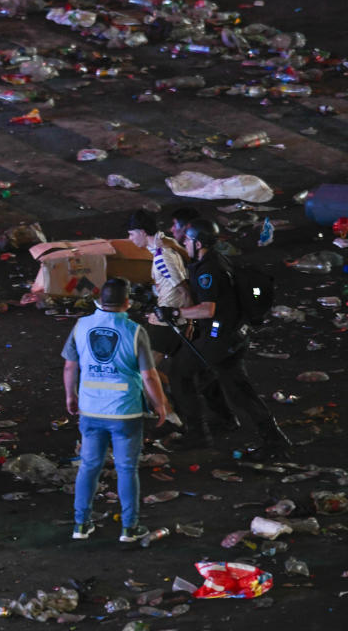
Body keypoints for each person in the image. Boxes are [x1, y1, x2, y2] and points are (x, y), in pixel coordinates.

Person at [156, 219, 292, 456]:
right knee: (216, 377)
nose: (184, 243)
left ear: (198, 243)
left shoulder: (208, 270)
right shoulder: (217, 259)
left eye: (187, 240)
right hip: (233, 334)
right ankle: (228, 420)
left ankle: (199, 434)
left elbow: (208, 309)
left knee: (181, 373)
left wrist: (175, 312)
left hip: (220, 337)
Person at [62, 278, 171, 543]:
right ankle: (129, 529)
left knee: (88, 467)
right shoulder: (134, 331)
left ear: (100, 300)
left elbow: (69, 367)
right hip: (125, 411)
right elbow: (149, 375)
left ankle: (80, 524)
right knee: (126, 469)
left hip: (90, 409)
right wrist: (160, 404)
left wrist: (71, 396)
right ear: (127, 302)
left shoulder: (81, 325)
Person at [125, 210, 193, 365]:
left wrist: (189, 323)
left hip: (170, 319)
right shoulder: (162, 245)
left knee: (146, 369)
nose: (130, 239)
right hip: (164, 315)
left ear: (142, 232)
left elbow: (185, 291)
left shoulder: (163, 256)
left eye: (131, 234)